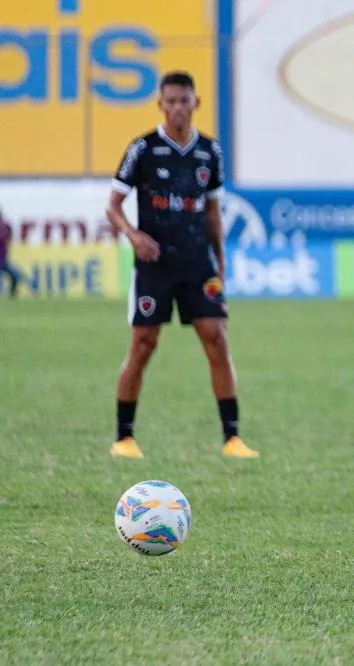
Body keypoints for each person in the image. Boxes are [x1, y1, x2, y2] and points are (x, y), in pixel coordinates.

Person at [105, 71, 259, 460]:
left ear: (196, 103)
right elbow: (113, 206)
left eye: (184, 100)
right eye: (170, 101)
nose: (177, 108)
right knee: (144, 344)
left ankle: (232, 438)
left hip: (197, 263)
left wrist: (220, 263)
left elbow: (212, 213)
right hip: (155, 265)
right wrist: (134, 236)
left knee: (217, 339)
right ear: (161, 105)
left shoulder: (210, 151)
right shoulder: (142, 148)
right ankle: (124, 438)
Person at [0, 212, 18, 297]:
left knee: (15, 277)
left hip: (3, 260)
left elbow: (9, 238)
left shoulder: (6, 226)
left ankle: (12, 295)